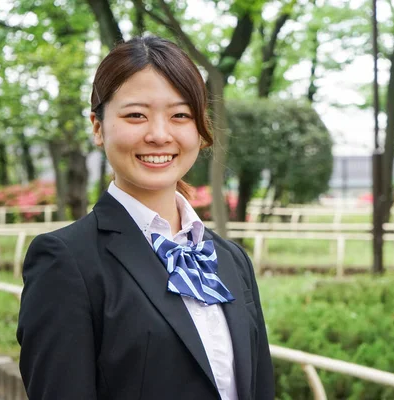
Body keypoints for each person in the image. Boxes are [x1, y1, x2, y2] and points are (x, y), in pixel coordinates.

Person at [16, 36, 275, 400]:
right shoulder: (66, 261)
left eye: (180, 115)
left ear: (200, 130)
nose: (158, 134)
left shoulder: (231, 259)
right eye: (135, 114)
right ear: (97, 126)